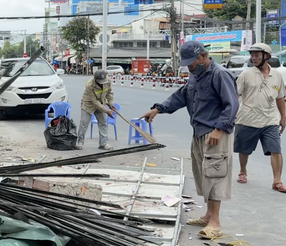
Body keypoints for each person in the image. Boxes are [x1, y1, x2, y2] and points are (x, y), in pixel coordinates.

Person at [139, 41, 238, 240]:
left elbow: (232, 105)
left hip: (215, 133)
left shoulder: (220, 74)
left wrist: (219, 129)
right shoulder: (195, 77)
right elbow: (180, 97)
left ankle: (215, 222)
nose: (190, 67)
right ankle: (208, 215)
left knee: (215, 174)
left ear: (202, 56)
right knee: (203, 174)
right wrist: (158, 108)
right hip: (199, 132)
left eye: (192, 63)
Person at [233, 43, 286, 192]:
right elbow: (235, 96)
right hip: (247, 118)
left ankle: (277, 181)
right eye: (252, 55)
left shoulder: (277, 76)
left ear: (266, 56)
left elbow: (280, 98)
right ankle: (243, 171)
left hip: (270, 119)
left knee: (276, 149)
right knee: (244, 149)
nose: (253, 58)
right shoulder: (245, 75)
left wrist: (283, 117)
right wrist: (228, 115)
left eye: (257, 55)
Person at [76, 70, 116, 151]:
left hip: (101, 103)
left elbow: (110, 93)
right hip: (88, 104)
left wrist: (111, 103)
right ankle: (80, 142)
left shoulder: (108, 81)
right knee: (84, 124)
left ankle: (103, 143)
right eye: (99, 81)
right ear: (95, 79)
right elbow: (94, 102)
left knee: (103, 123)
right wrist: (107, 111)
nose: (102, 83)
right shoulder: (89, 85)